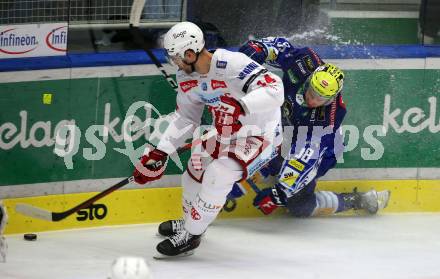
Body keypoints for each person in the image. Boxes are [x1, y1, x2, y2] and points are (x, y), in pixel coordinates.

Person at [132, 22, 284, 258]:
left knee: (218, 174)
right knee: (194, 167)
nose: (174, 62)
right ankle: (191, 223)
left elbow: (276, 89)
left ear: (190, 54)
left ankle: (191, 236)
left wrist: (241, 106)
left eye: (176, 57)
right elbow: (185, 118)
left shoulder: (232, 64)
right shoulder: (185, 77)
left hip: (260, 135)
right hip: (224, 132)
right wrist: (159, 152)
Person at [233, 37, 391, 217]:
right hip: (289, 131)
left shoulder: (328, 117)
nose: (313, 100)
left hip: (323, 151)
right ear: (309, 80)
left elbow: (304, 157)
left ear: (331, 99)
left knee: (299, 207)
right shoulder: (306, 61)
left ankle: (357, 200)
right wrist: (259, 48)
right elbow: (280, 49)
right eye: (312, 92)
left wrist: (280, 193)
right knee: (261, 153)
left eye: (320, 98)